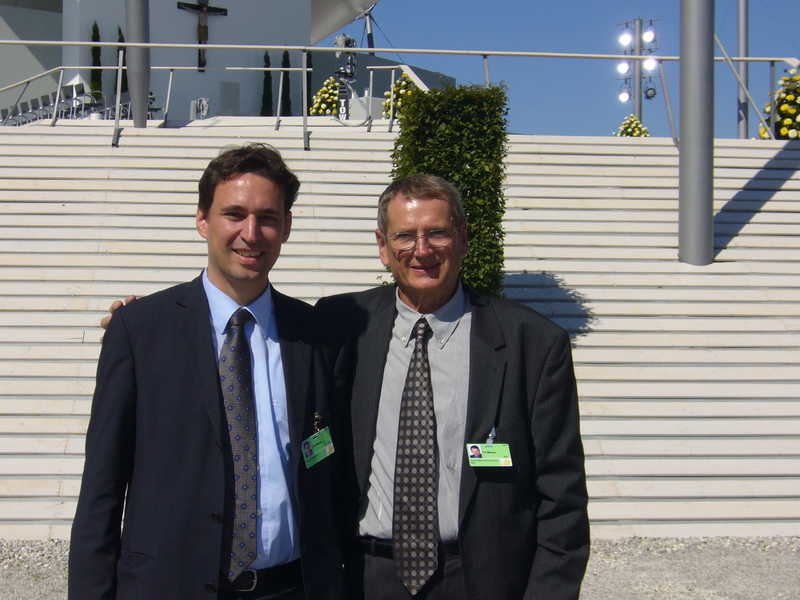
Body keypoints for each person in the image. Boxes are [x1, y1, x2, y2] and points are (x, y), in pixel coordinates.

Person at [70, 143, 348, 600]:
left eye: (268, 218)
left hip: (291, 588)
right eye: (234, 214)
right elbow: (101, 490)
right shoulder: (140, 331)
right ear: (203, 219)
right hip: (168, 587)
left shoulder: (316, 336)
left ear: (287, 227)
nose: (251, 233)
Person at [316, 174, 590, 600]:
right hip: (366, 580)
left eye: (437, 233)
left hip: (480, 580)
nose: (421, 250)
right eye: (404, 236)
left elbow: (563, 499)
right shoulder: (342, 326)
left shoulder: (532, 343)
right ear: (383, 246)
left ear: (462, 238)